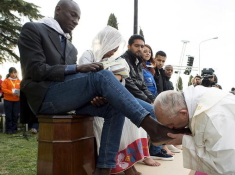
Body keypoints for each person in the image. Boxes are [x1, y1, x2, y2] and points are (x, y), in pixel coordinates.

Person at [18, 1, 189, 174]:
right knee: (102, 74)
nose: (76, 21)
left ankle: (104, 168)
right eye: (73, 15)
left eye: (78, 18)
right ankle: (153, 128)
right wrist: (77, 68)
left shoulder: (71, 47)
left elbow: (72, 84)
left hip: (65, 98)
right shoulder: (33, 29)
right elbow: (35, 70)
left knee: (114, 108)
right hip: (45, 97)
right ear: (58, 10)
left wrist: (91, 94)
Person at [79, 26, 160, 174]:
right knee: (124, 116)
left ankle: (129, 164)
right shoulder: (88, 56)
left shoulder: (115, 61)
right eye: (112, 46)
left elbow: (119, 82)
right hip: (91, 101)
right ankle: (125, 167)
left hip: (108, 99)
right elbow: (85, 82)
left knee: (133, 122)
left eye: (116, 47)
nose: (114, 50)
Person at [121, 35, 155, 104]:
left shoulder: (139, 63)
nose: (140, 49)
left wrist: (153, 99)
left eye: (142, 46)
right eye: (136, 46)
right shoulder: (122, 61)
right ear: (129, 46)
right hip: (127, 99)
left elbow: (143, 85)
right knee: (153, 111)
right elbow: (130, 86)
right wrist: (148, 101)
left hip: (138, 98)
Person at [1, 67, 21, 134]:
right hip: (8, 100)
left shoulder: (19, 81)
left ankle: (14, 129)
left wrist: (20, 94)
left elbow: (22, 89)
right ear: (9, 73)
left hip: (17, 100)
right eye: (12, 73)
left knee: (15, 115)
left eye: (14, 72)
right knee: (9, 115)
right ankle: (9, 129)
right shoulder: (6, 81)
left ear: (16, 73)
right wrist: (11, 92)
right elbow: (4, 89)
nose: (13, 74)